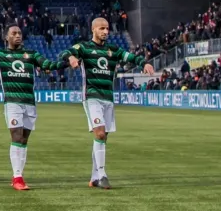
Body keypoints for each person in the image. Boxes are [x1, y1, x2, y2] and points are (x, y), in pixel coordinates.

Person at [61, 17, 154, 190]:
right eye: (102, 28)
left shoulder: (114, 50)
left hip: (108, 98)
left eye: (107, 28)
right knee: (100, 134)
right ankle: (102, 175)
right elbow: (65, 52)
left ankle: (94, 177)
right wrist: (72, 58)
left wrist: (145, 63)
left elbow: (131, 57)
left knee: (103, 138)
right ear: (93, 29)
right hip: (91, 96)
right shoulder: (84, 47)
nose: (105, 32)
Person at [0, 23, 63, 190]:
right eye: (14, 33)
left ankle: (19, 175)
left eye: (19, 33)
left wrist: (66, 62)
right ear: (6, 37)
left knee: (24, 140)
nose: (18, 35)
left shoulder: (31, 54)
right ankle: (17, 178)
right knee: (17, 137)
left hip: (30, 103)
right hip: (12, 102)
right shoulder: (0, 54)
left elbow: (48, 65)